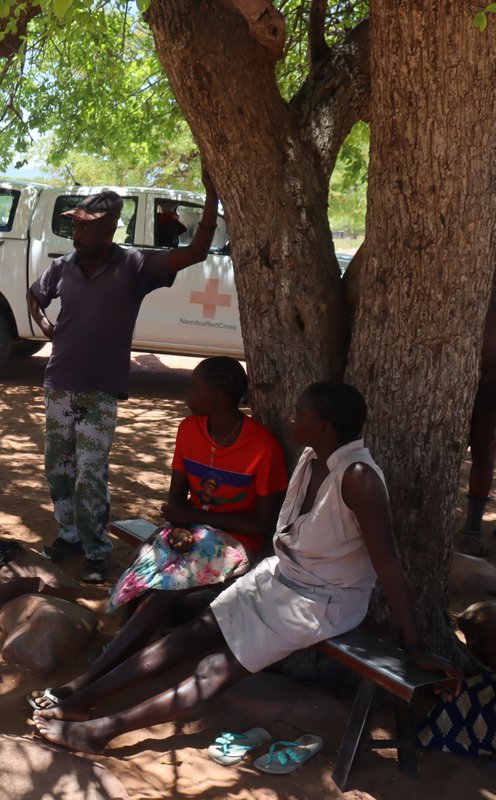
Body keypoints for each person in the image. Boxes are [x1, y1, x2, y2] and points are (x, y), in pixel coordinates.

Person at [32, 382, 461, 753]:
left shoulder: (360, 478)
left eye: (300, 414)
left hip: (322, 601)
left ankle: (104, 731)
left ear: (325, 426)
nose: (291, 419)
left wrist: (415, 646)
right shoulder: (314, 459)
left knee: (215, 669)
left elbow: (388, 566)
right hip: (282, 578)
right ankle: (82, 697)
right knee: (190, 636)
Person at [28, 357, 286, 710]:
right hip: (193, 532)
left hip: (236, 542)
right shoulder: (189, 430)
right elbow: (175, 500)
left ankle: (92, 678)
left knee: (167, 584)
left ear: (219, 395)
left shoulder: (261, 447)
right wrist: (180, 526)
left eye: (195, 387)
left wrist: (191, 516)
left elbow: (263, 524)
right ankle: (124, 640)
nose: (188, 393)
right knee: (148, 559)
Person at [29, 173, 221, 583]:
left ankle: (97, 551)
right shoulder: (63, 266)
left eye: (87, 225)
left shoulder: (135, 266)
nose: (78, 231)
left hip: (101, 389)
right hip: (59, 383)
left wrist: (212, 197)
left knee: (90, 472)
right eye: (76, 224)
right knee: (58, 467)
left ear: (109, 228)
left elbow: (197, 252)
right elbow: (35, 295)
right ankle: (69, 537)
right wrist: (46, 327)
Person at [460, 287, 496, 556]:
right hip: (472, 387)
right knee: (478, 458)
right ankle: (471, 528)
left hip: (488, 391)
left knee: (485, 459)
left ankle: (472, 528)